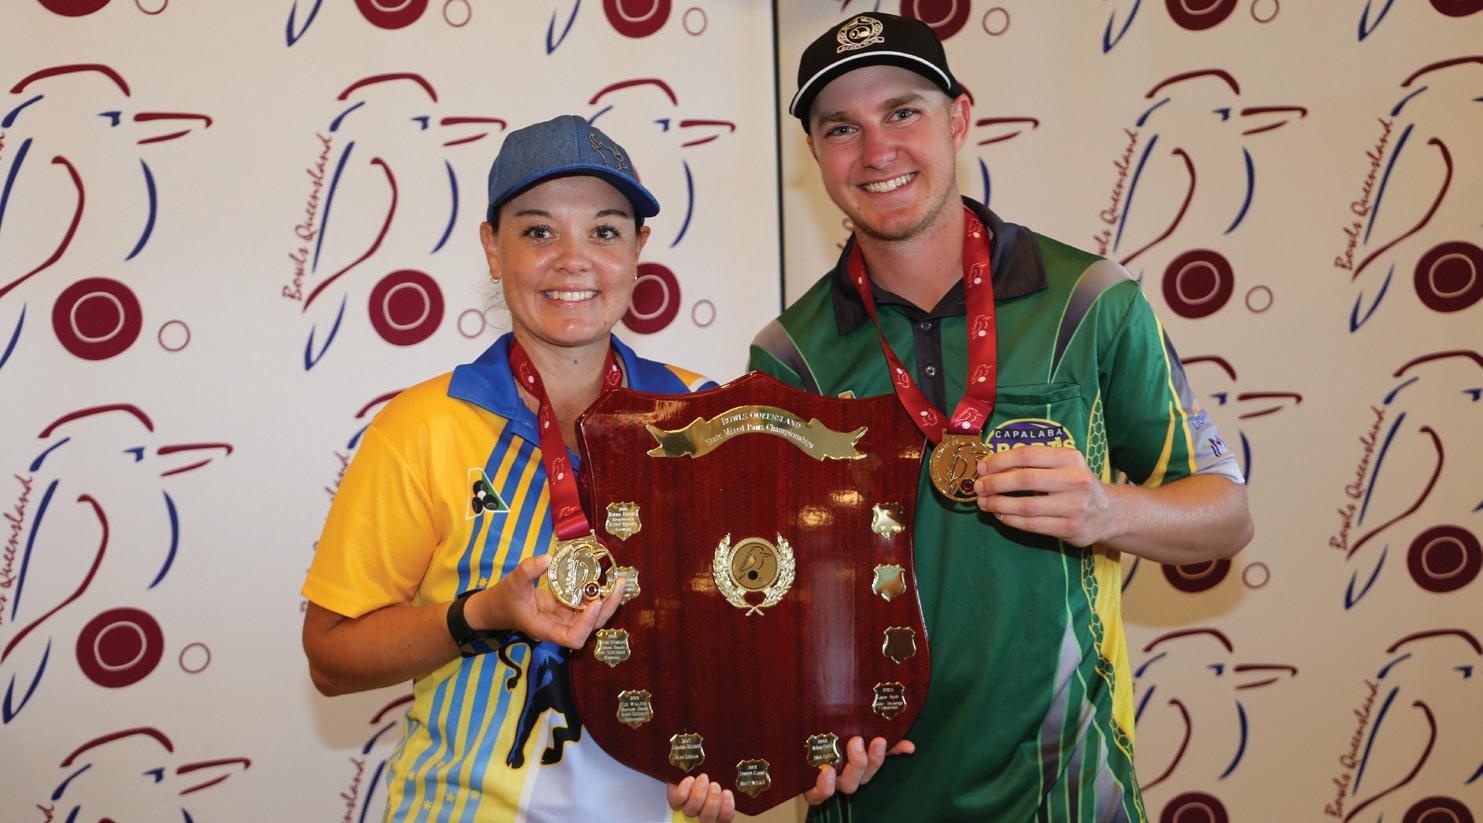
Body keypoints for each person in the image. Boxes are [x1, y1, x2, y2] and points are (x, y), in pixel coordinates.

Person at [749, 14, 1254, 822]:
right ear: (815, 154)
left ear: (958, 118)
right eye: (841, 127)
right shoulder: (787, 357)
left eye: (902, 111)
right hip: (869, 796)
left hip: (1067, 792)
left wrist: (1106, 510)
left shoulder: (1089, 301)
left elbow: (1225, 514)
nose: (876, 150)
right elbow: (774, 601)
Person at [301, 114, 737, 823]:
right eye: (538, 231)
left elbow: (753, 626)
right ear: (492, 249)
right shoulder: (422, 425)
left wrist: (752, 747)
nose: (573, 260)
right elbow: (330, 657)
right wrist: (483, 614)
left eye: (604, 231)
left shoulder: (707, 414)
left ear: (638, 251)